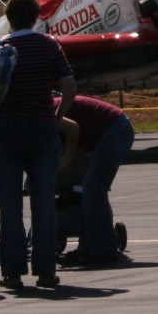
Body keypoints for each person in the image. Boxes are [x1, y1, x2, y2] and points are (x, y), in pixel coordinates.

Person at [0, 0, 76, 292]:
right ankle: (46, 271)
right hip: (41, 131)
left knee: (10, 205)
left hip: (5, 133)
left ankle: (12, 271)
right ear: (37, 16)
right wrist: (56, 117)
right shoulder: (50, 46)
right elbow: (69, 87)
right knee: (43, 203)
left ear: (8, 18)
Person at [56, 92, 134, 266]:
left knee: (93, 191)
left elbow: (73, 128)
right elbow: (80, 145)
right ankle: (89, 246)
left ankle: (103, 249)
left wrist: (66, 160)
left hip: (114, 130)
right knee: (87, 189)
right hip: (110, 129)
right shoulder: (48, 107)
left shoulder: (44, 112)